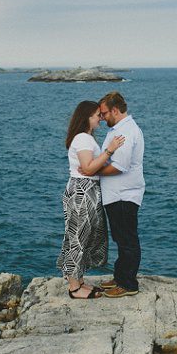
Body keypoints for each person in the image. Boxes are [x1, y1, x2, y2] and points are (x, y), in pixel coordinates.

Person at [58, 100, 126, 299]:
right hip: (82, 190)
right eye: (97, 115)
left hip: (86, 189)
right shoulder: (82, 139)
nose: (100, 118)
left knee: (84, 236)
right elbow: (88, 168)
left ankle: (78, 281)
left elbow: (89, 168)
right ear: (87, 117)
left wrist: (96, 165)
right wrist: (110, 150)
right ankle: (74, 287)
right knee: (78, 238)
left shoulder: (85, 138)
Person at [97, 91, 145, 298]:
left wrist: (93, 170)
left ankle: (128, 284)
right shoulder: (119, 129)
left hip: (123, 195)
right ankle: (120, 277)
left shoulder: (126, 132)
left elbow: (120, 166)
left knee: (127, 241)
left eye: (104, 113)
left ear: (115, 110)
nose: (101, 117)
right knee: (121, 238)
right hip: (116, 194)